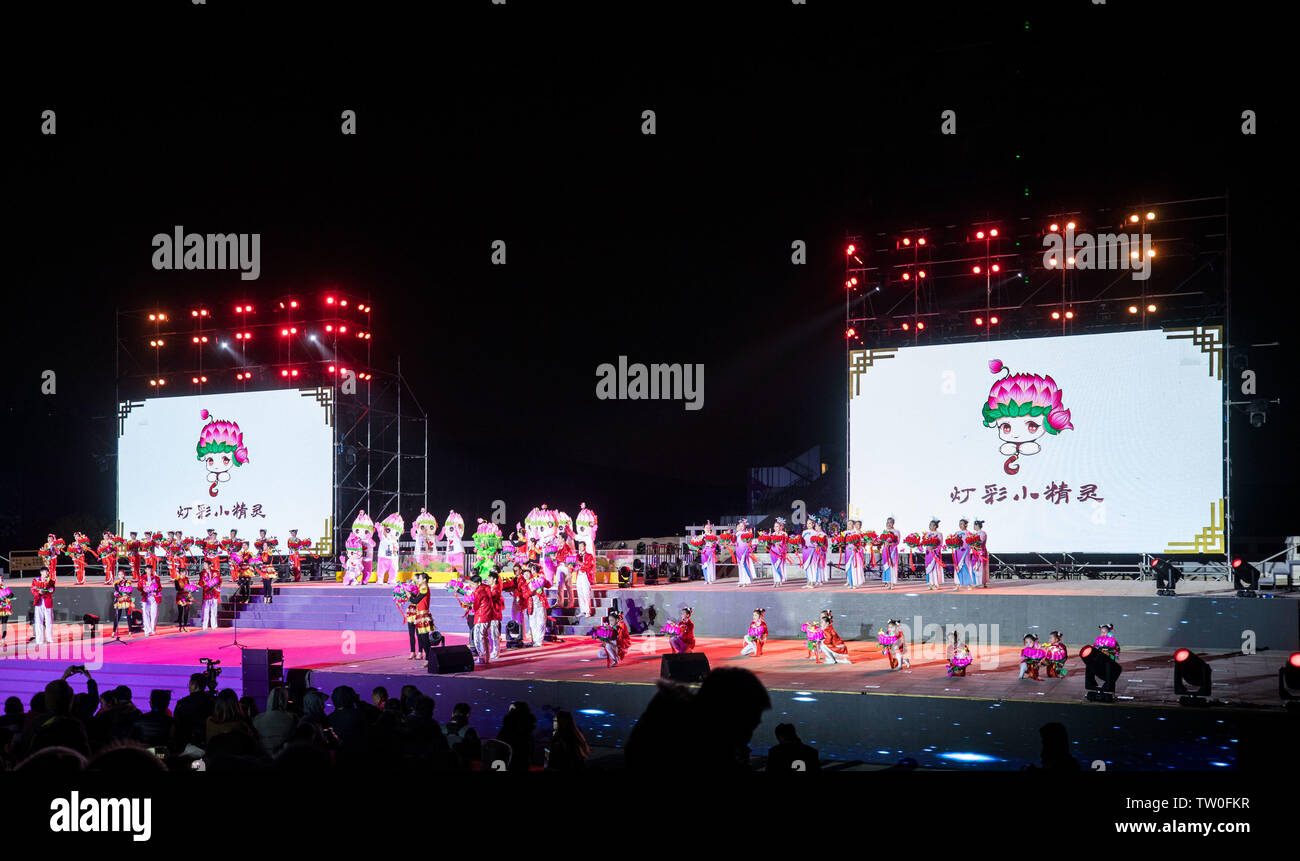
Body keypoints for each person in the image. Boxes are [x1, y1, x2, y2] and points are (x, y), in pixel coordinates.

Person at [173, 674, 215, 749]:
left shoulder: (182, 703)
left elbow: (176, 723)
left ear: (194, 685)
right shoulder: (212, 702)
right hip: (206, 744)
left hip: (185, 743)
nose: (188, 687)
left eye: (190, 684)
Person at [471, 571, 503, 665]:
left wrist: (470, 605)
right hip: (488, 616)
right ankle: (486, 657)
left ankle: (483, 657)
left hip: (483, 616)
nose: (472, 585)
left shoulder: (480, 591)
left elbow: (476, 606)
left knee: (479, 638)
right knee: (485, 637)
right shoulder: (487, 588)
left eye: (473, 584)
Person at [496, 701, 537, 772]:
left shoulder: (509, 725)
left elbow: (500, 741)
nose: (509, 710)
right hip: (522, 758)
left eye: (512, 709)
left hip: (511, 758)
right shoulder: (528, 726)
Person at [30, 564, 57, 646]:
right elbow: (32, 589)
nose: (47, 573)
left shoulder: (51, 581)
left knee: (49, 621)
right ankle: (39, 639)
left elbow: (52, 590)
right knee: (38, 621)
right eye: (46, 572)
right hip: (38, 602)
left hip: (47, 602)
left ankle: (49, 638)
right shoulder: (35, 580)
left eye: (48, 572)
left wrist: (46, 592)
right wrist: (38, 592)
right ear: (41, 572)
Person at [952, 517, 975, 590]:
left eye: (962, 524)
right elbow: (953, 542)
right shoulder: (957, 533)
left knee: (966, 567)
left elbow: (971, 543)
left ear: (966, 525)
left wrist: (968, 548)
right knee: (957, 568)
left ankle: (969, 584)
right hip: (958, 552)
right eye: (959, 524)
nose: (960, 525)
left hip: (965, 553)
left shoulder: (969, 533)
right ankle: (958, 584)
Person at [574, 541, 596, 616]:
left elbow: (589, 566)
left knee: (586, 593)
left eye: (581, 546)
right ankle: (582, 610)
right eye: (579, 546)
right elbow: (575, 565)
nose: (580, 547)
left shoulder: (589, 556)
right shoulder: (577, 555)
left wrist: (580, 564)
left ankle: (588, 611)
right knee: (580, 593)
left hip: (585, 576)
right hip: (579, 576)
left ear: (585, 546)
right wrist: (574, 566)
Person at [923, 518, 945, 591]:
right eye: (930, 525)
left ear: (935, 526)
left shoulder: (939, 534)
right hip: (928, 553)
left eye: (932, 525)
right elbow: (925, 543)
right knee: (929, 569)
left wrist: (935, 547)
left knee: (935, 569)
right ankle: (930, 583)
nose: (930, 526)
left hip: (935, 553)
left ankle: (936, 584)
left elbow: (940, 544)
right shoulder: (927, 534)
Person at [199, 559, 222, 630]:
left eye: (206, 564)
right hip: (206, 593)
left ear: (209, 565)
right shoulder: (202, 573)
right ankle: (204, 626)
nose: (204, 566)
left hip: (214, 593)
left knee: (213, 610)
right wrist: (205, 584)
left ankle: (214, 625)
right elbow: (200, 582)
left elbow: (219, 580)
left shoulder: (215, 572)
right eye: (204, 565)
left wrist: (215, 585)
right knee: (205, 610)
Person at [880, 517, 901, 589]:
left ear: (893, 523)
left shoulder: (896, 531)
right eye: (887, 522)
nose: (889, 524)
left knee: (892, 566)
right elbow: (882, 540)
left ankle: (892, 583)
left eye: (890, 522)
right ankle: (888, 582)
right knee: (886, 566)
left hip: (893, 551)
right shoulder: (884, 531)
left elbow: (897, 542)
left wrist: (891, 544)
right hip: (885, 551)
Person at [732, 519, 755, 587]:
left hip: (744, 550)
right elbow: (735, 542)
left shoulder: (746, 533)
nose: (741, 527)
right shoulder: (737, 534)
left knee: (744, 564)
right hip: (738, 550)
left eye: (742, 526)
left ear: (745, 526)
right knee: (740, 565)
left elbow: (750, 542)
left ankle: (746, 580)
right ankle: (741, 580)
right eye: (740, 526)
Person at [767, 517, 789, 587]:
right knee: (774, 567)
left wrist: (780, 545)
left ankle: (779, 580)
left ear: (780, 527)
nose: (776, 528)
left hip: (780, 552)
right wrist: (766, 542)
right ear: (773, 527)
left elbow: (786, 543)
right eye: (775, 526)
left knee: (779, 566)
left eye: (778, 526)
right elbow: (769, 544)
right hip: (773, 552)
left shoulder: (783, 534)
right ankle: (775, 581)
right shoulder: (772, 534)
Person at [140, 567, 162, 636]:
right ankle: (147, 630)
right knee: (145, 614)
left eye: (151, 570)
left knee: (154, 614)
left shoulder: (156, 578)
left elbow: (160, 587)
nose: (150, 571)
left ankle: (153, 629)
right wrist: (143, 589)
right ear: (146, 570)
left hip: (154, 598)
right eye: (148, 569)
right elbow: (139, 587)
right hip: (146, 598)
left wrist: (156, 591)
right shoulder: (142, 578)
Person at [971, 519, 989, 587]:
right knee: (975, 567)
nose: (974, 526)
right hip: (975, 552)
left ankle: (983, 582)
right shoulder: (974, 534)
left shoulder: (982, 533)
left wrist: (974, 544)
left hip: (981, 552)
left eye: (975, 525)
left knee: (981, 567)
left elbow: (980, 542)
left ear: (978, 525)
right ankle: (976, 582)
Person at [0, 574, 13, 649]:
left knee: (4, 624)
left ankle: (3, 640)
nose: (1, 580)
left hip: (5, 608)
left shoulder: (6, 587)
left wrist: (10, 596)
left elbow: (11, 594)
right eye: (0, 578)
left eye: (2, 578)